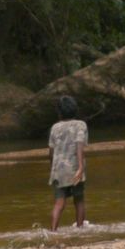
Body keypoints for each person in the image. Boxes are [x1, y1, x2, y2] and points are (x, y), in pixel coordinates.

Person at [47, 96, 88, 231]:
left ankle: (53, 231)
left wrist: (53, 169)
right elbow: (79, 145)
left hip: (58, 170)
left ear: (59, 112)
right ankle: (80, 229)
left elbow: (51, 152)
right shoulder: (80, 125)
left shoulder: (54, 127)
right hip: (75, 168)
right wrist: (81, 167)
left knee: (59, 203)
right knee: (79, 200)